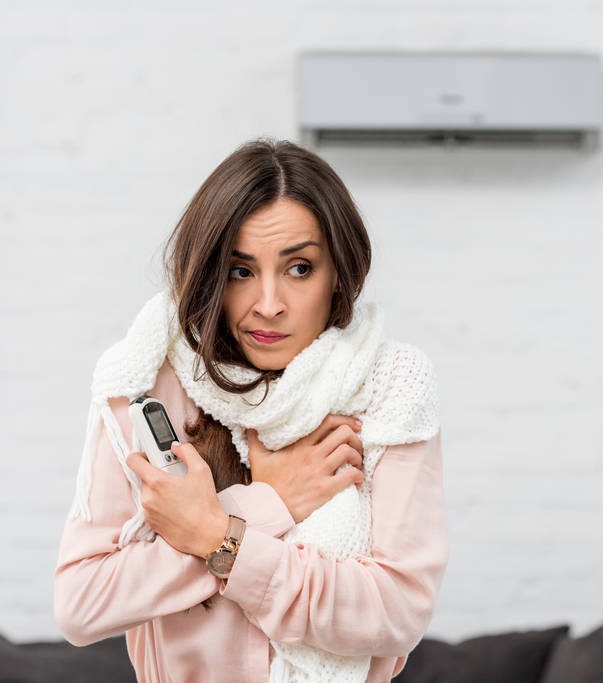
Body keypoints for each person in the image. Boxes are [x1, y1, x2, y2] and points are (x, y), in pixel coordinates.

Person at [53, 138, 448, 682]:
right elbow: (82, 603)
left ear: (339, 273)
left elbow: (396, 612)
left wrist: (219, 540)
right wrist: (269, 502)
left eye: (300, 268)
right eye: (241, 271)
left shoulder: (386, 387)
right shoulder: (153, 386)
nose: (268, 303)